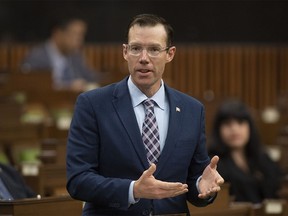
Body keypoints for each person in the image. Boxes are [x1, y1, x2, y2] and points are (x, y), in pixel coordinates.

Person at [66, 13, 224, 215]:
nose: (143, 58)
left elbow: (193, 182)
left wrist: (203, 187)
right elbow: (78, 180)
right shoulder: (93, 104)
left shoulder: (192, 110)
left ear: (170, 54)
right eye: (135, 48)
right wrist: (132, 190)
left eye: (154, 50)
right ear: (125, 52)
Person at [208, 99, 283, 204]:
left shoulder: (262, 157)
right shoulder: (214, 163)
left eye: (240, 122)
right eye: (227, 123)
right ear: (218, 129)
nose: (234, 129)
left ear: (250, 127)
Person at [21, 17, 100, 92]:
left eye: (82, 35)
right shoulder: (37, 56)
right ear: (58, 33)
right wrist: (66, 88)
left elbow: (93, 79)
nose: (80, 40)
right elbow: (26, 85)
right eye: (75, 34)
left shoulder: (76, 57)